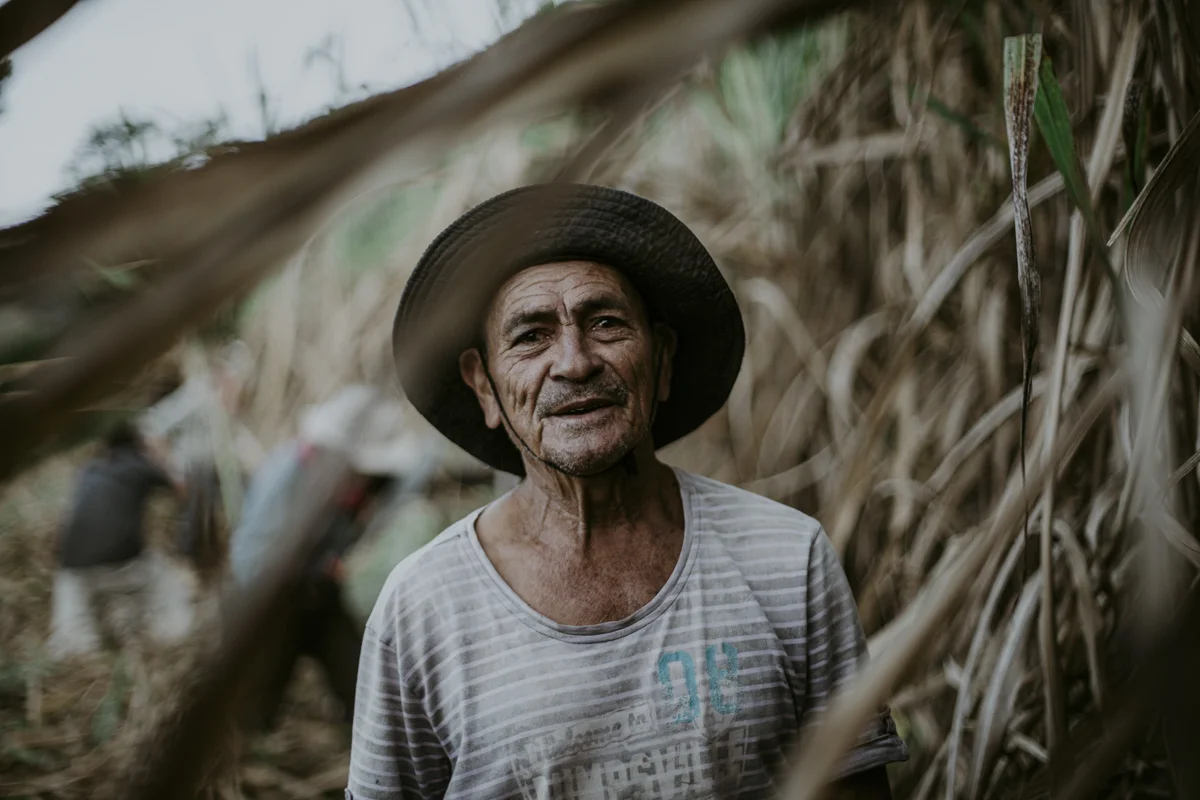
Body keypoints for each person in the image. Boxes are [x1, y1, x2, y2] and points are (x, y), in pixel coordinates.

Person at [346, 184, 909, 799]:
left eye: (606, 322)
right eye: (531, 336)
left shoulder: (787, 558)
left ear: (662, 359)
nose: (574, 361)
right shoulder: (421, 609)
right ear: (484, 385)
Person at [230, 385, 430, 731]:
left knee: (362, 682)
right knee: (256, 700)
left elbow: (417, 474)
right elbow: (249, 555)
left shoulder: (372, 484)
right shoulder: (288, 472)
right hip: (269, 602)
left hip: (321, 595)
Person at [48, 421, 196, 658]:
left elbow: (61, 529)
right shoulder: (140, 463)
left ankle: (75, 651)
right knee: (167, 588)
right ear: (139, 443)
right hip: (124, 560)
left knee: (72, 619)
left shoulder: (89, 469)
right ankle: (174, 637)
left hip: (73, 565)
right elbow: (184, 490)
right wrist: (161, 457)